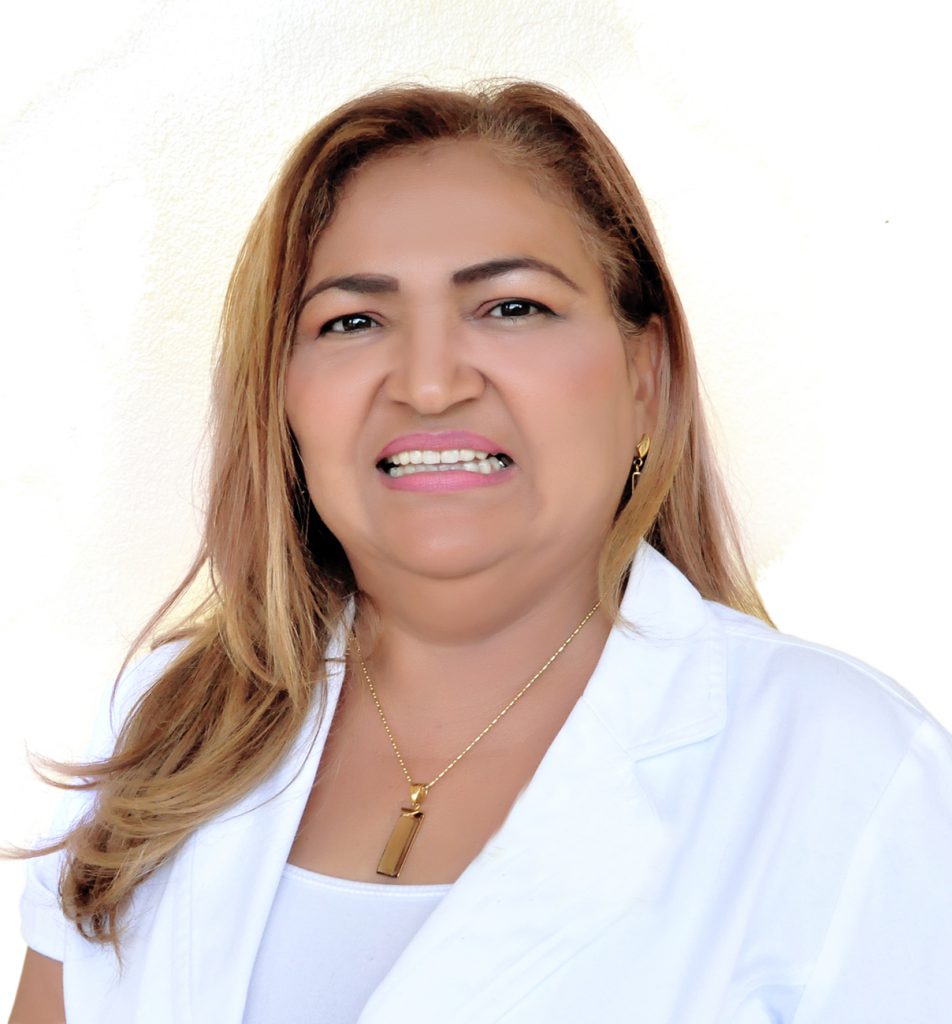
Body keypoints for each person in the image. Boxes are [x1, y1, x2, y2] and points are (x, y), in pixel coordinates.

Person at [9, 81, 952, 1024]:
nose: (429, 385)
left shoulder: (849, 770)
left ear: (647, 375)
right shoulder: (156, 731)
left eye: (511, 307)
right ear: (284, 400)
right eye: (352, 320)